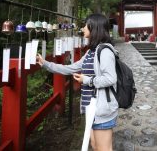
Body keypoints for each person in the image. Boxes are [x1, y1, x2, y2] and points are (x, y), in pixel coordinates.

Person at [36, 13, 118, 151]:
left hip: (102, 108)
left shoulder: (105, 51)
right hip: (91, 107)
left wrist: (86, 79)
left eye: (86, 25)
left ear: (94, 27)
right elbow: (70, 68)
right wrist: (45, 64)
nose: (83, 28)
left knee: (103, 149)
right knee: (94, 145)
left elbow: (110, 78)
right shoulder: (91, 52)